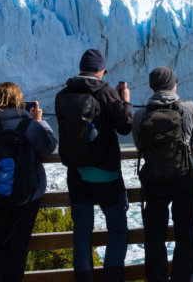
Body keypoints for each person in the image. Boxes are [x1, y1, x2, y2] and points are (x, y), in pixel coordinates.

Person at [54, 48, 133, 282]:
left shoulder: (62, 95)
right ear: (101, 71)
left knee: (82, 233)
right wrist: (124, 101)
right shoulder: (107, 93)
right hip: (106, 173)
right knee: (117, 229)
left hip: (76, 175)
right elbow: (125, 126)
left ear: (81, 69)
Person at [132, 66, 193, 282]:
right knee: (186, 235)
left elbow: (139, 144)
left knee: (154, 237)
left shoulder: (141, 114)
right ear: (174, 84)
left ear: (152, 86)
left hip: (154, 181)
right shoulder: (189, 108)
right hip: (184, 178)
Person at [0, 82, 58, 282]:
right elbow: (48, 146)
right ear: (19, 101)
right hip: (26, 195)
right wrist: (39, 121)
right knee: (18, 247)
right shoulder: (29, 126)